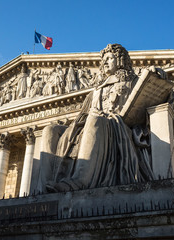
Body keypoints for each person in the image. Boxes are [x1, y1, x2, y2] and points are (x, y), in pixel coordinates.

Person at [39, 44, 155, 192]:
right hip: (90, 128)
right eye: (104, 59)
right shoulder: (96, 89)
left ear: (120, 60)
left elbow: (156, 95)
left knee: (95, 119)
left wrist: (155, 73)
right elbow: (82, 117)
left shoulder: (133, 81)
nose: (105, 62)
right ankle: (44, 187)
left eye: (109, 58)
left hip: (117, 128)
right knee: (50, 130)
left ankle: (80, 181)